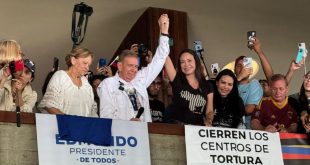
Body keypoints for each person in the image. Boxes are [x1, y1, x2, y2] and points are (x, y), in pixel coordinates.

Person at [97, 14, 170, 122]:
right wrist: (128, 124)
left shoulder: (140, 79)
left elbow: (160, 58)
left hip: (144, 133)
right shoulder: (108, 84)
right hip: (120, 136)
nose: (134, 69)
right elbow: (106, 116)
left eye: (136, 66)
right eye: (130, 65)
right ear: (120, 66)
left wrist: (164, 31)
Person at [38, 47, 98, 117]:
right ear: (73, 60)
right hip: (61, 126)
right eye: (84, 63)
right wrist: (68, 121)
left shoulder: (86, 84)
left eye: (89, 65)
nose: (87, 68)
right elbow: (49, 105)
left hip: (83, 127)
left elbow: (92, 110)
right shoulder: (60, 76)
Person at [164, 49, 214, 126]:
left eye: (189, 60)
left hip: (197, 129)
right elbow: (164, 55)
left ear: (196, 62)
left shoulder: (207, 85)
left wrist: (209, 120)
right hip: (178, 128)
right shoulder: (176, 79)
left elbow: (209, 110)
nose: (186, 64)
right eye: (182, 62)